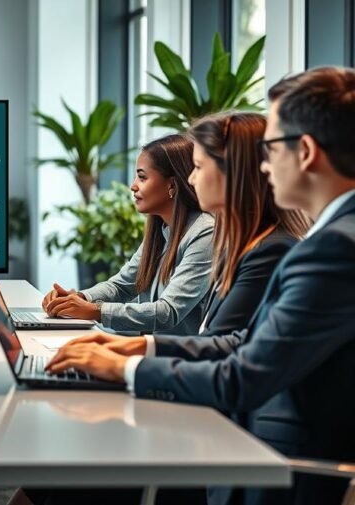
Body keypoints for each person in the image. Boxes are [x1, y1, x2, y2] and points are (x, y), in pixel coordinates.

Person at [47, 67, 355, 505]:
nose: (264, 166)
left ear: (304, 151)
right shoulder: (328, 240)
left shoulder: (331, 250)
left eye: (270, 148)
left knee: (79, 475)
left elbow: (244, 378)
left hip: (269, 465)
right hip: (248, 445)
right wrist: (139, 349)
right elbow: (245, 343)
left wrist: (123, 368)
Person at [42, 134, 214, 335]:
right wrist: (79, 299)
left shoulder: (205, 233)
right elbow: (121, 286)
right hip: (151, 351)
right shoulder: (162, 229)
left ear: (172, 186)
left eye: (142, 177)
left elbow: (167, 312)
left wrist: (96, 311)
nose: (133, 186)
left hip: (178, 361)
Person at [187, 113, 308, 335]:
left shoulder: (271, 250)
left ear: (233, 172)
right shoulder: (240, 246)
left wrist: (131, 358)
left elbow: (220, 343)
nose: (191, 179)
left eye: (198, 166)